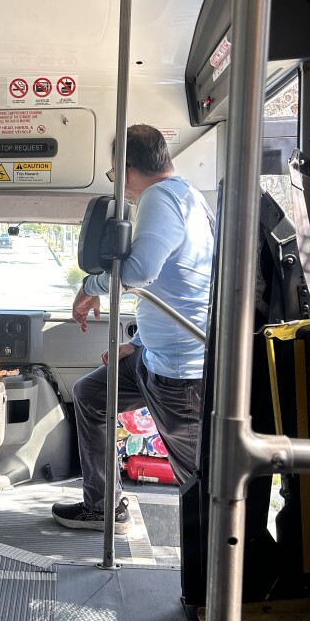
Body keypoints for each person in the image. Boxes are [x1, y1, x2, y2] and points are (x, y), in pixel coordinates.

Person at [52, 124, 214, 533]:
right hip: (155, 355)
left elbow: (140, 273)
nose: (119, 186)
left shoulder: (161, 197)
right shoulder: (186, 196)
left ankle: (218, 571)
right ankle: (103, 506)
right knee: (90, 394)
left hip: (180, 372)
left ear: (126, 170)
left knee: (198, 477)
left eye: (113, 176)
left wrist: (89, 286)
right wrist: (138, 341)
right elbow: (176, 285)